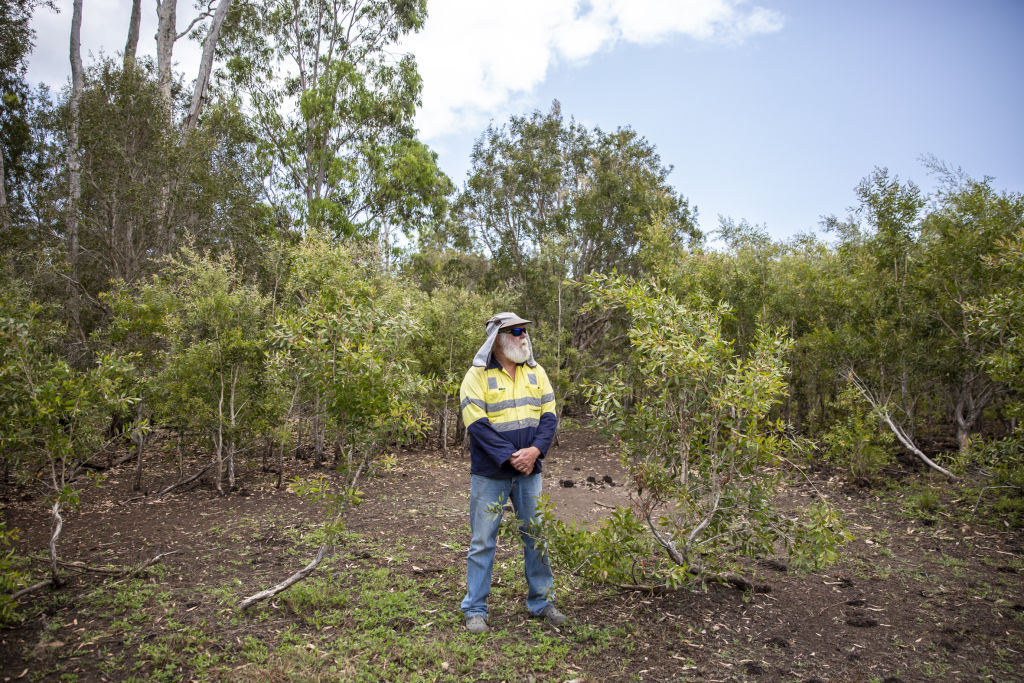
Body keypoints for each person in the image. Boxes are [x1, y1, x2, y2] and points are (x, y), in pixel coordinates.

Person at [458, 312, 565, 634]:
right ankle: (475, 609)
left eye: (524, 331)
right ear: (498, 338)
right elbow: (476, 424)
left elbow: (549, 415)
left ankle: (542, 602)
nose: (523, 337)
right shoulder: (476, 376)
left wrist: (534, 452)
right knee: (482, 541)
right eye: (516, 331)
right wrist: (510, 457)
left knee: (536, 536)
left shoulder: (537, 372)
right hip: (491, 475)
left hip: (531, 471)